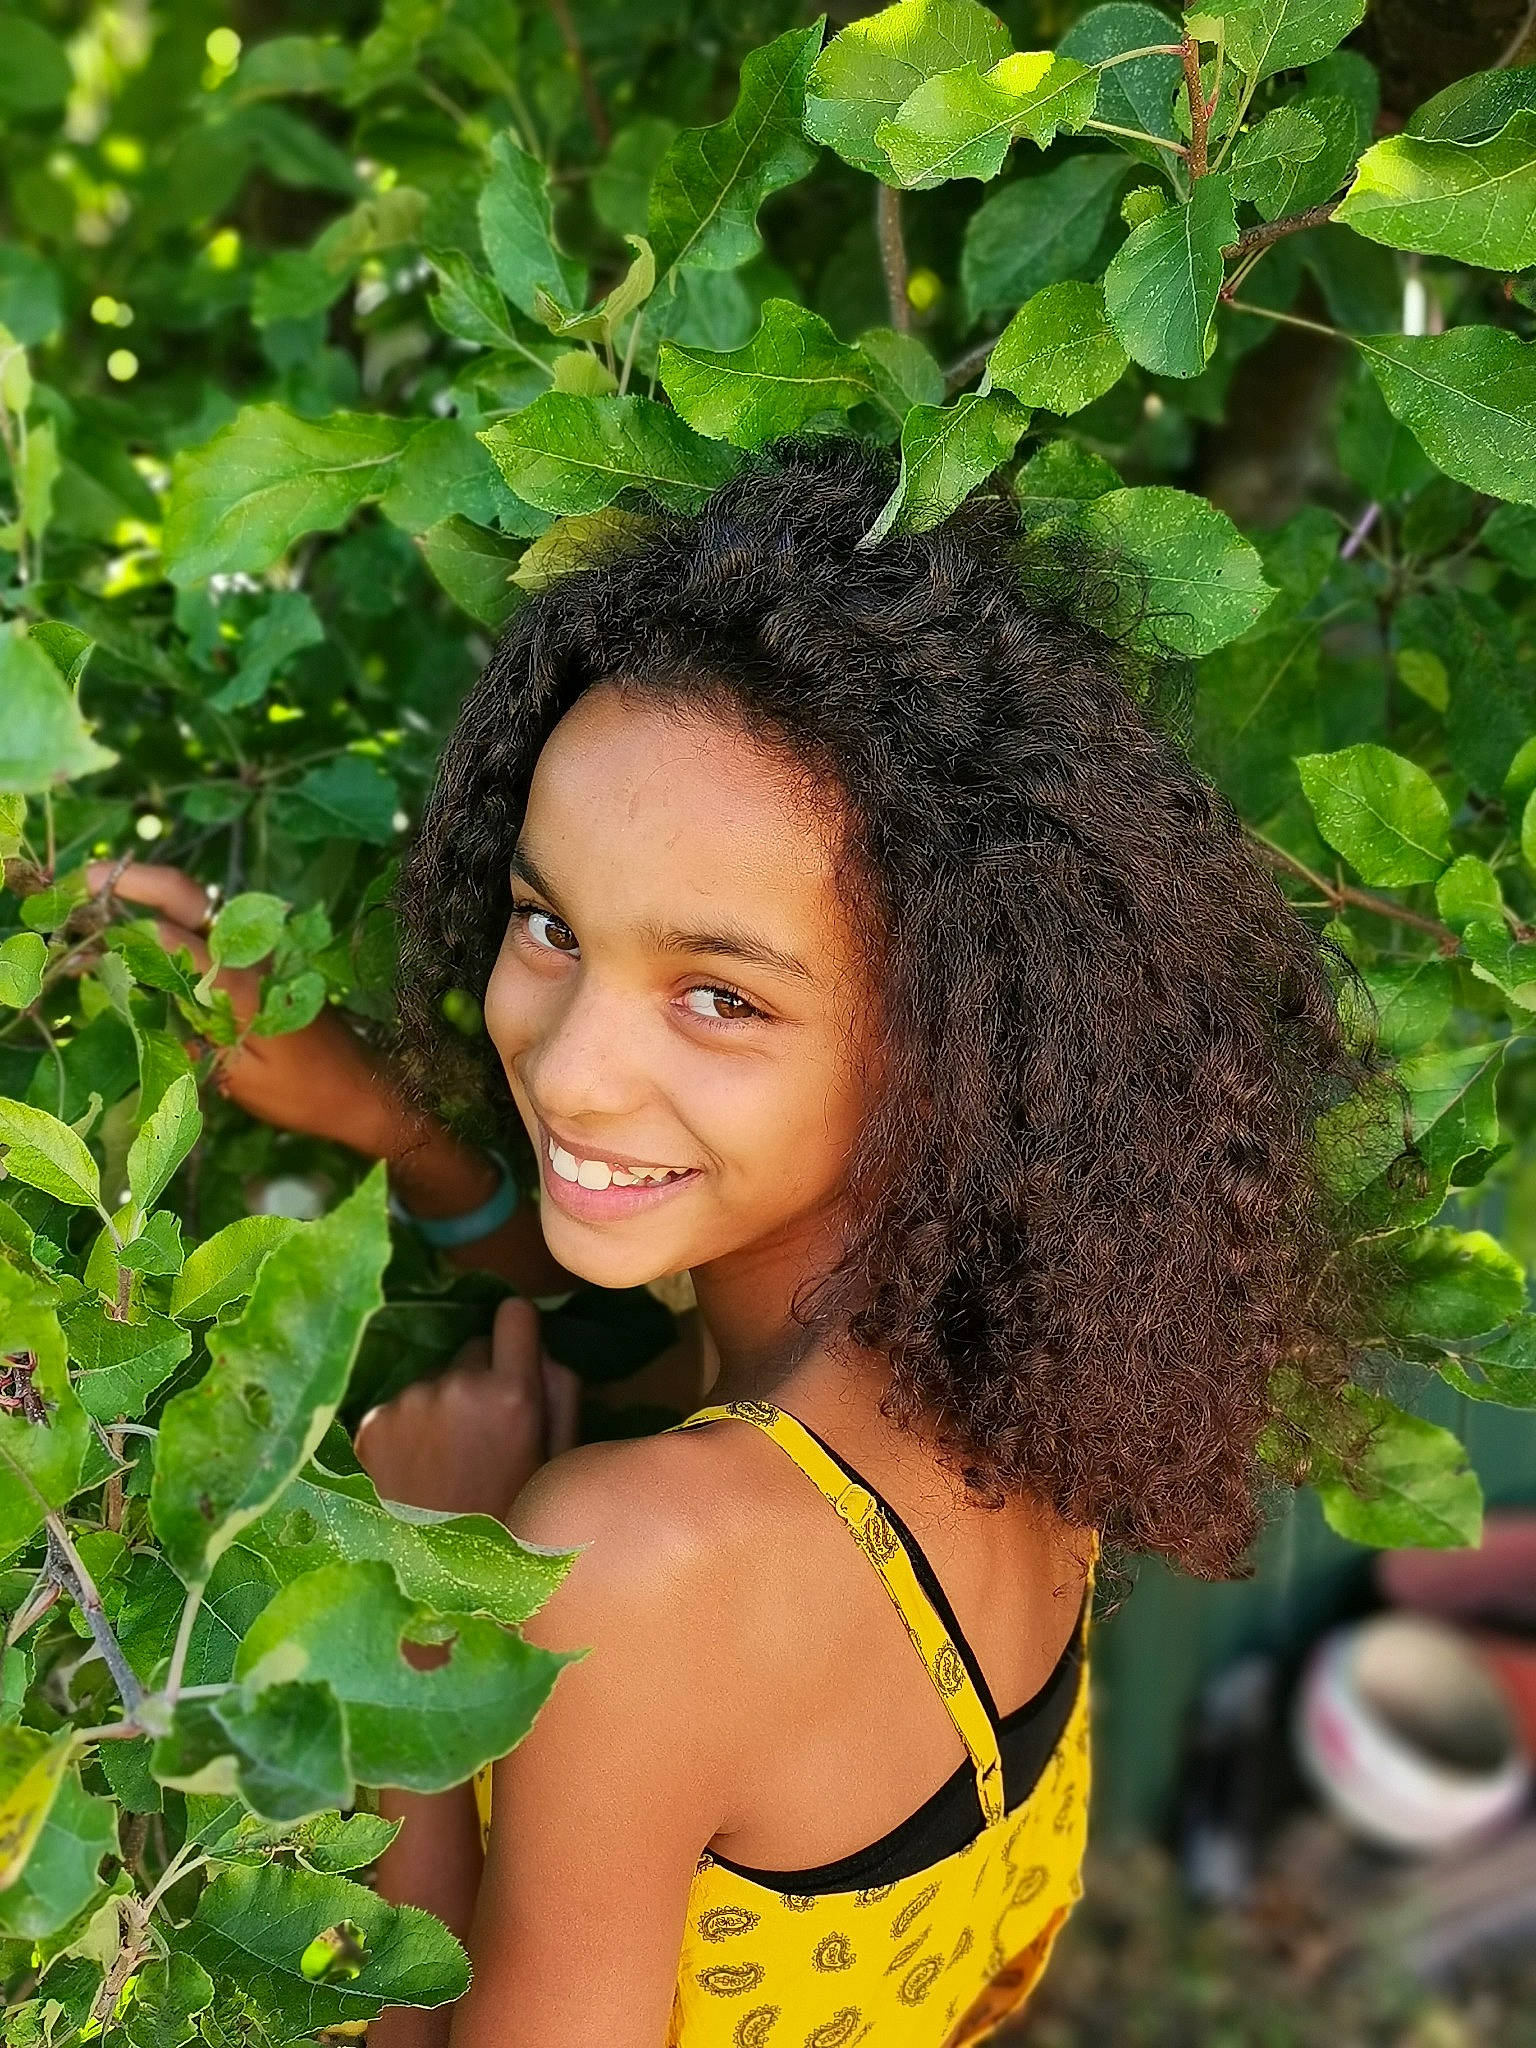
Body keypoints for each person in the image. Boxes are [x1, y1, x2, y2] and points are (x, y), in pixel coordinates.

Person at [97, 441, 1387, 2047]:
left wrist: (414, 1605)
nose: (569, 1069)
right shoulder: (1029, 1348)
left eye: (721, 995)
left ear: (949, 1040)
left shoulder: (642, 1569)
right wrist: (393, 1124)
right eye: (549, 923)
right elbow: (665, 1359)